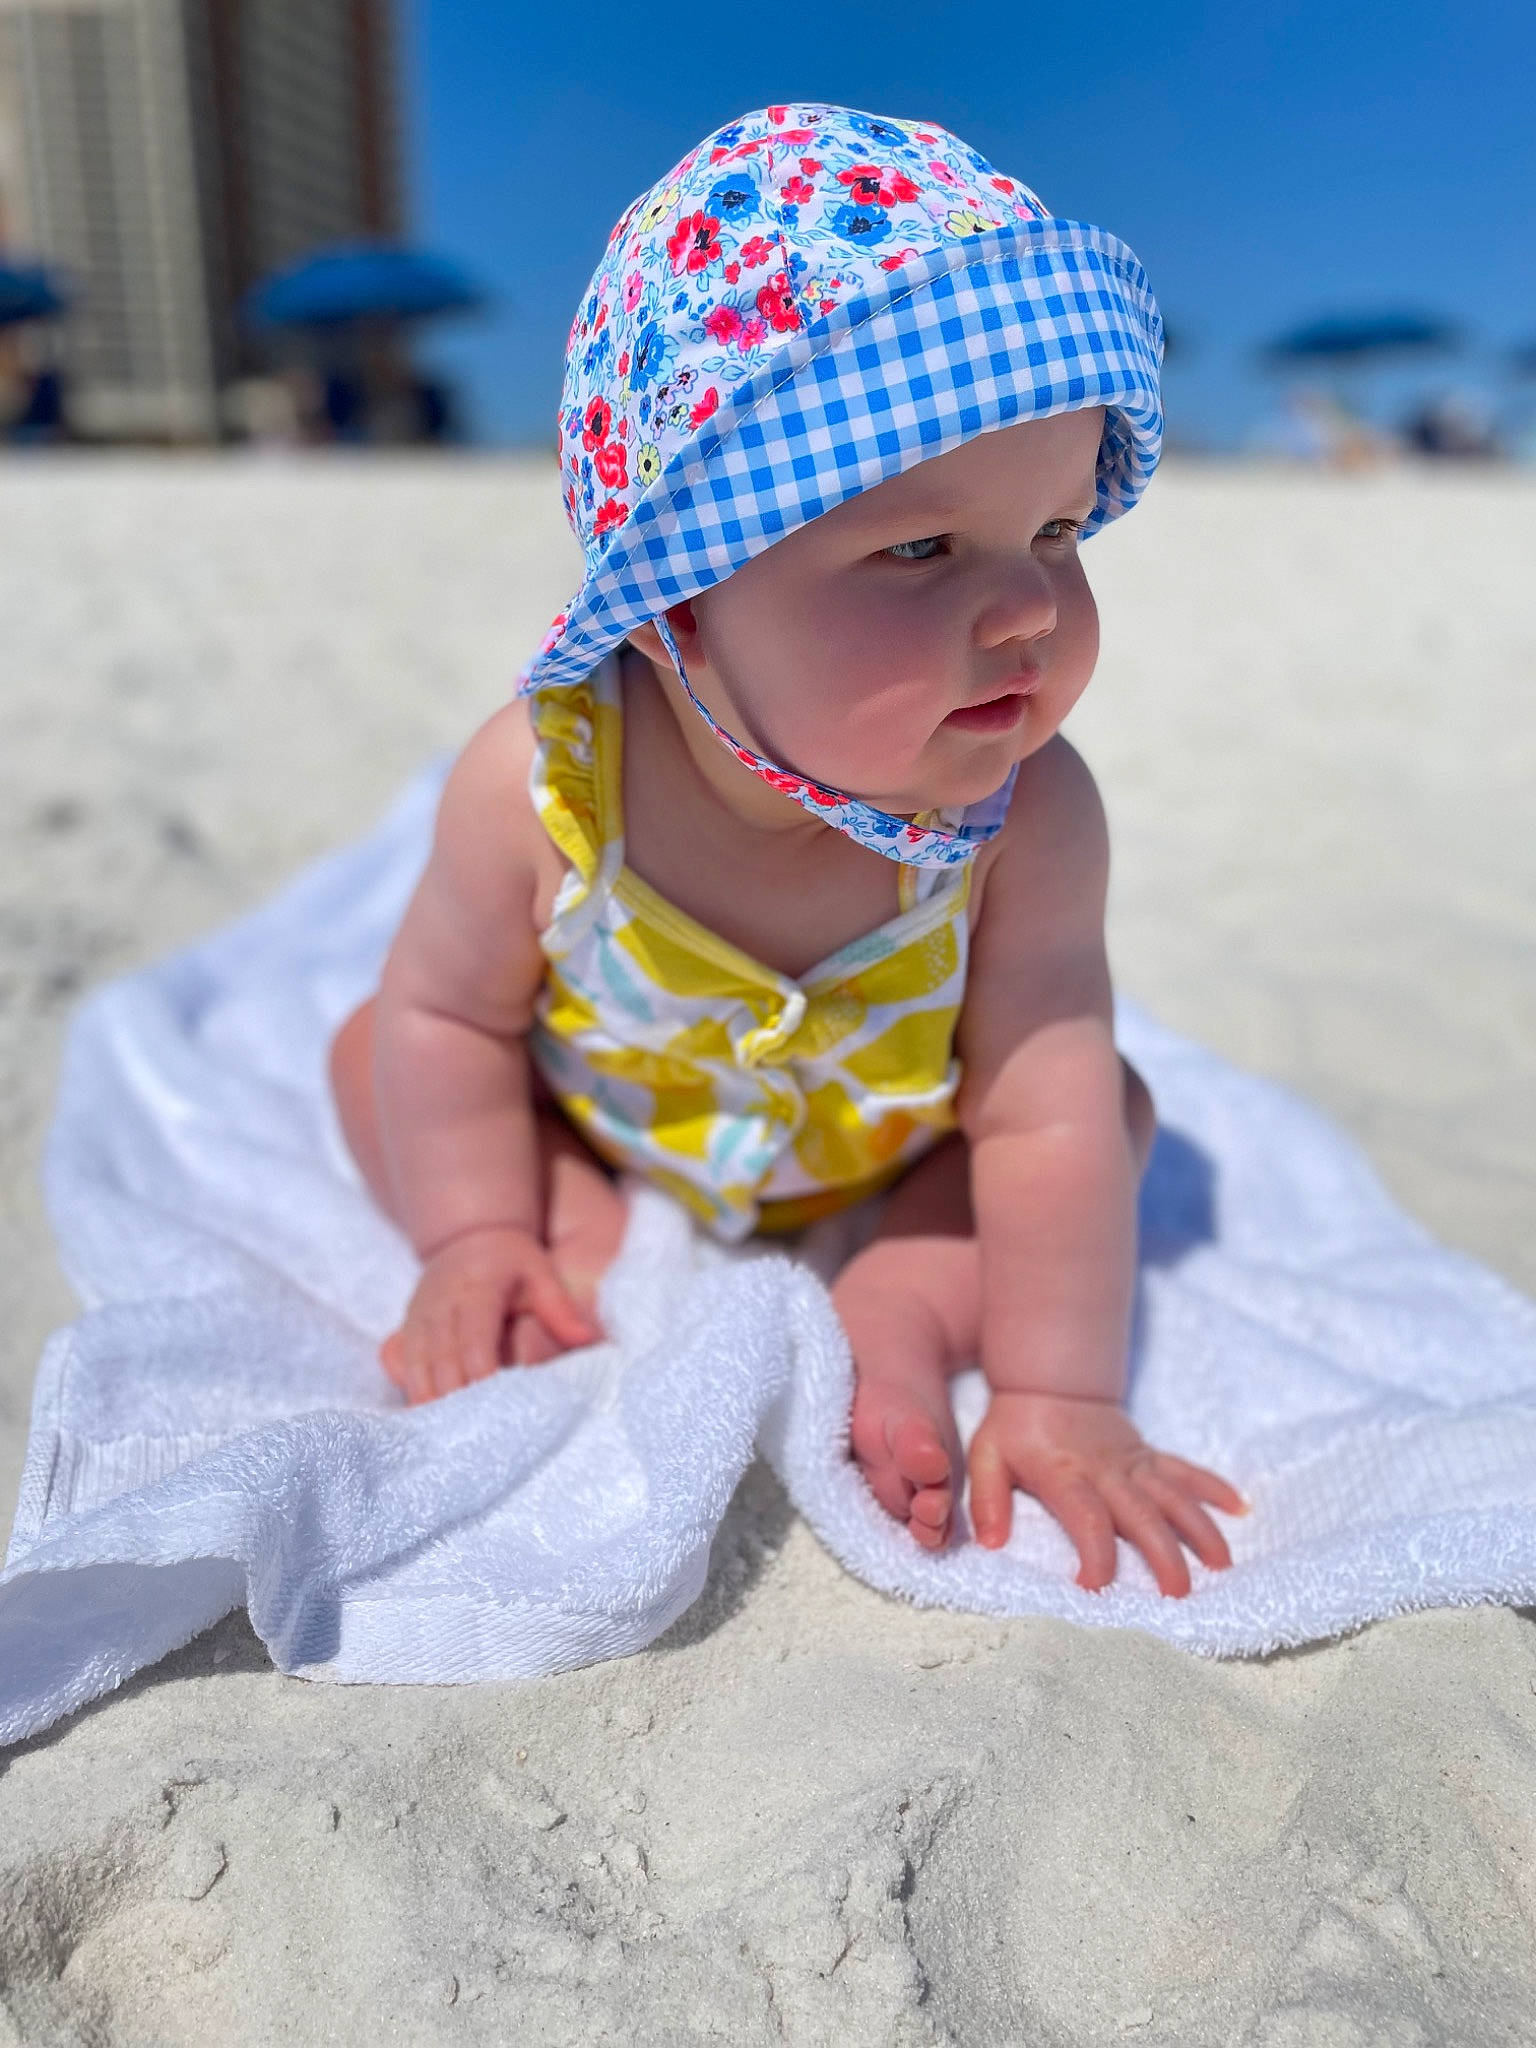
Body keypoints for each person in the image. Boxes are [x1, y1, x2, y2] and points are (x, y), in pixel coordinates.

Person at [329, 104, 1247, 1595]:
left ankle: (904, 1304)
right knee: (378, 1041)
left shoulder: (1026, 818)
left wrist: (1061, 1395)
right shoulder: (548, 787)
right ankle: (540, 1225)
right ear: (681, 598)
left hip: (892, 1152)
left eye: (1061, 535)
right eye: (919, 549)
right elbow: (447, 1019)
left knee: (1108, 1108)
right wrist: (469, 1227)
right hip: (609, 1114)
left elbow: (1040, 1115)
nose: (1027, 610)